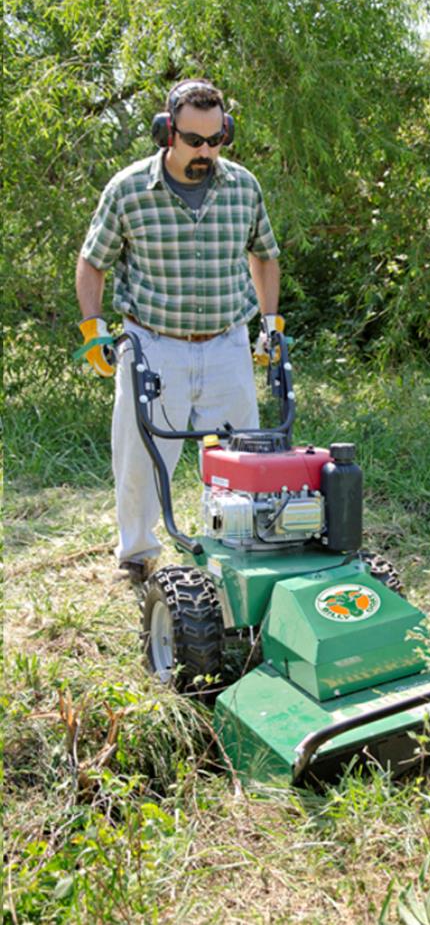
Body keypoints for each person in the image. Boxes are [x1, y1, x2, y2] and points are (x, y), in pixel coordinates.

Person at [76, 79, 282, 583]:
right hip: (153, 343)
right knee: (142, 455)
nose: (205, 152)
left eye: (216, 140)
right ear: (167, 132)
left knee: (244, 453)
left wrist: (270, 324)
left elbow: (264, 255)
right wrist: (92, 329)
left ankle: (241, 547)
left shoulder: (243, 187)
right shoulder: (129, 189)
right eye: (194, 140)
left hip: (226, 341)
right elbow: (93, 262)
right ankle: (137, 554)